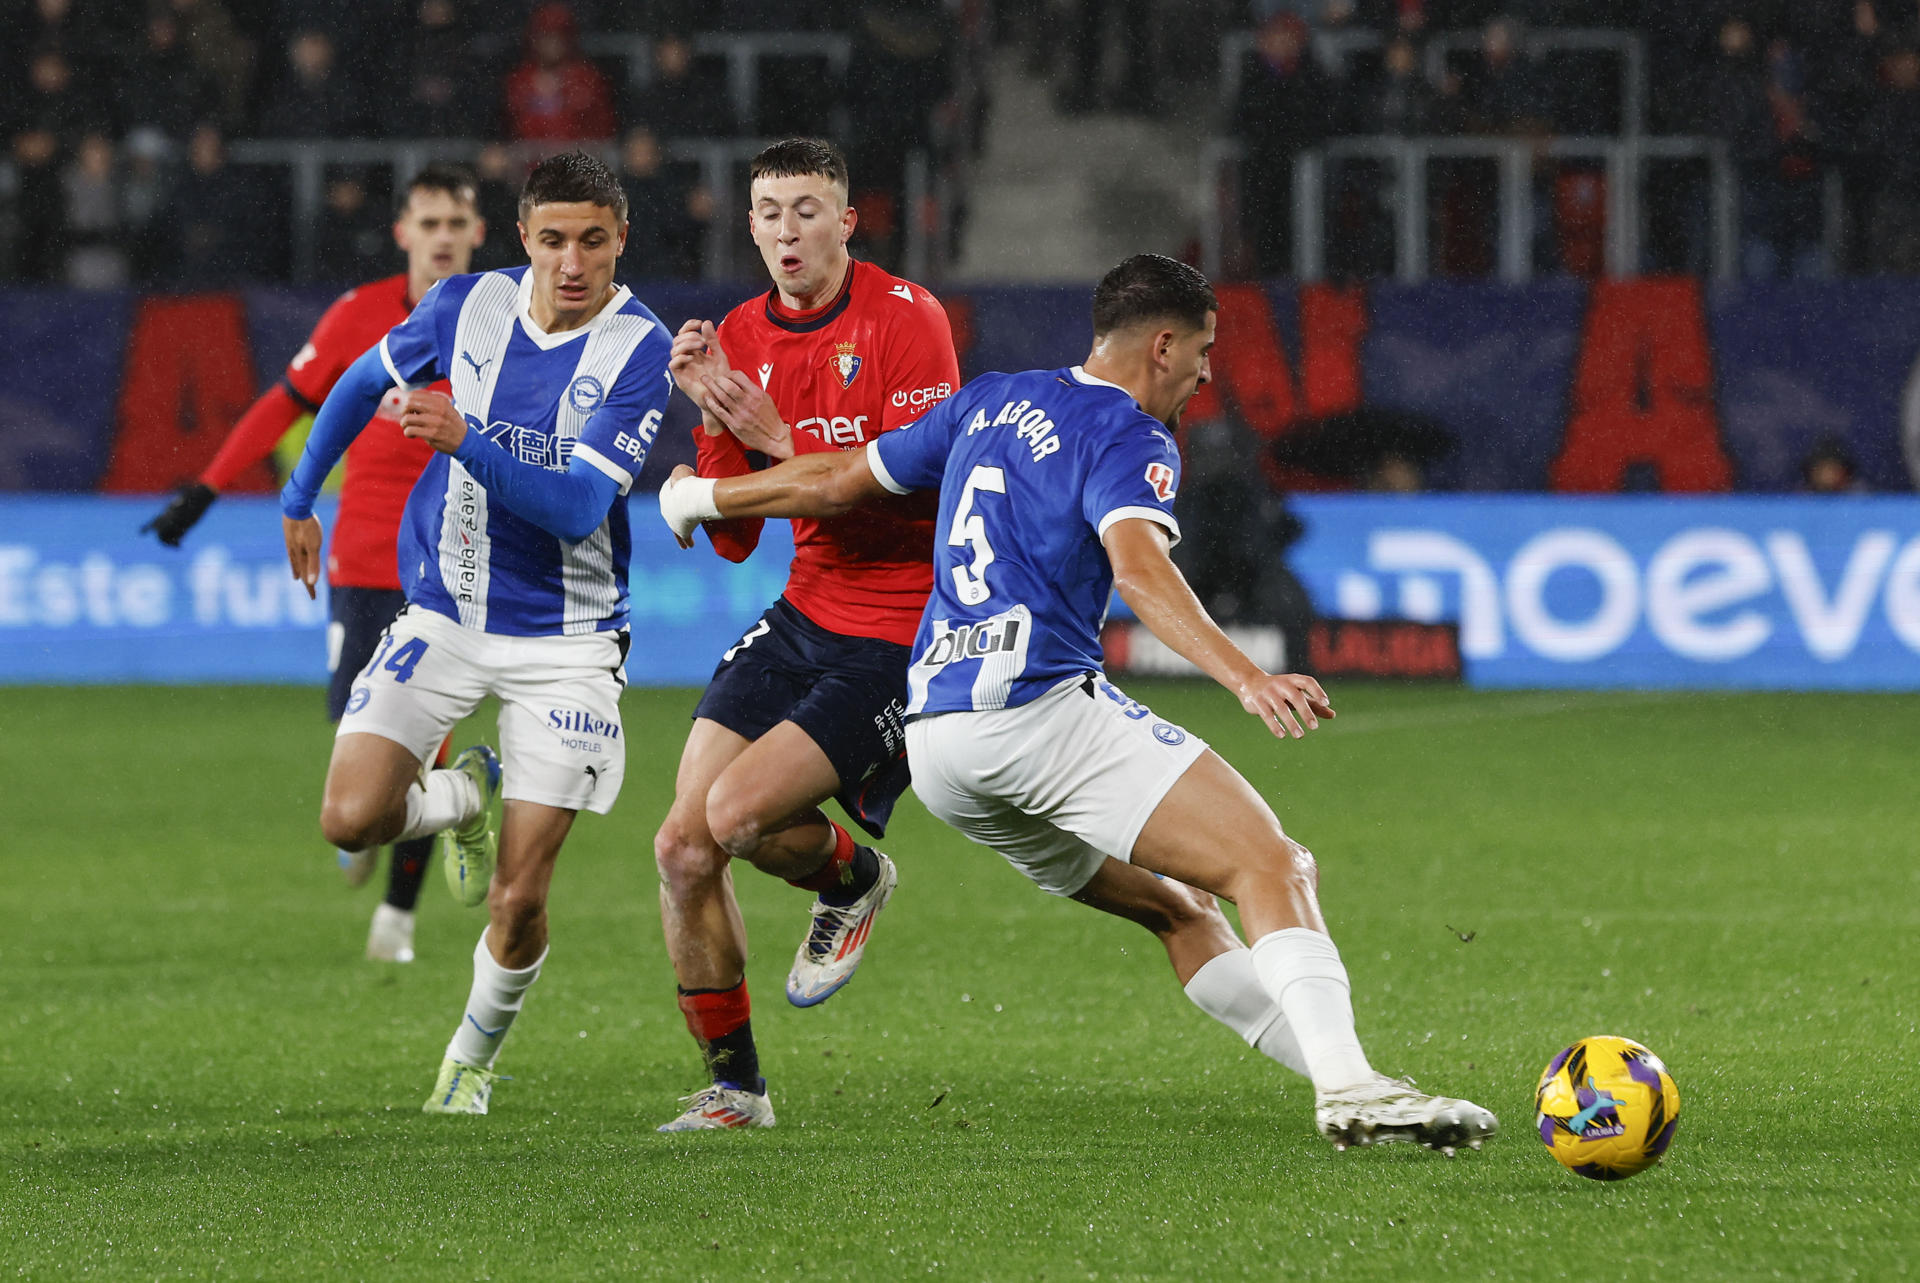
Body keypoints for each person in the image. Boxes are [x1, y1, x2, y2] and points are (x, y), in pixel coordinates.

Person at [656, 254, 1499, 1152]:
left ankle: (1354, 1076)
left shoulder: (989, 400)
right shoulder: (1129, 434)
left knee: (1179, 910)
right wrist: (1246, 674)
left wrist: (705, 494)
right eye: (1204, 351)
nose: (1208, 373)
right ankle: (1351, 1092)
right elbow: (1139, 567)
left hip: (942, 746)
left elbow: (832, 481)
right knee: (1272, 866)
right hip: (1037, 717)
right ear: (1162, 345)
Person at [280, 151, 673, 1116]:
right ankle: (461, 794)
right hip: (448, 612)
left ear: (621, 238)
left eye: (592, 240)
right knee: (349, 818)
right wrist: (298, 496)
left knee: (517, 898)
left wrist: (467, 440)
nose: (570, 262)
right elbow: (352, 382)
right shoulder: (467, 306)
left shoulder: (640, 350)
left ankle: (470, 1058)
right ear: (523, 240)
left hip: (570, 644)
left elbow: (579, 504)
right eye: (551, 241)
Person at [651, 137, 960, 1131]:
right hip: (803, 611)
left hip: (902, 627)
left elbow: (929, 497)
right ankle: (736, 1090)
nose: (788, 231)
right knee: (682, 846)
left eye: (807, 209)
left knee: (736, 817)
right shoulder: (740, 331)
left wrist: (785, 442)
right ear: (749, 224)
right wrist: (711, 420)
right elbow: (736, 536)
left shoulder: (909, 321)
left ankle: (855, 875)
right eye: (770, 212)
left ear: (847, 219)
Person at [143, 164, 487, 964]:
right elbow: (286, 402)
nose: (442, 238)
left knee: (426, 737)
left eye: (455, 224)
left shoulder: (501, 320)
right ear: (403, 232)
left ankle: (397, 917)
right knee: (361, 734)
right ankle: (379, 818)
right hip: (365, 556)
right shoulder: (359, 315)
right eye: (428, 223)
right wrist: (205, 489)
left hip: (451, 560)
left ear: (476, 234)